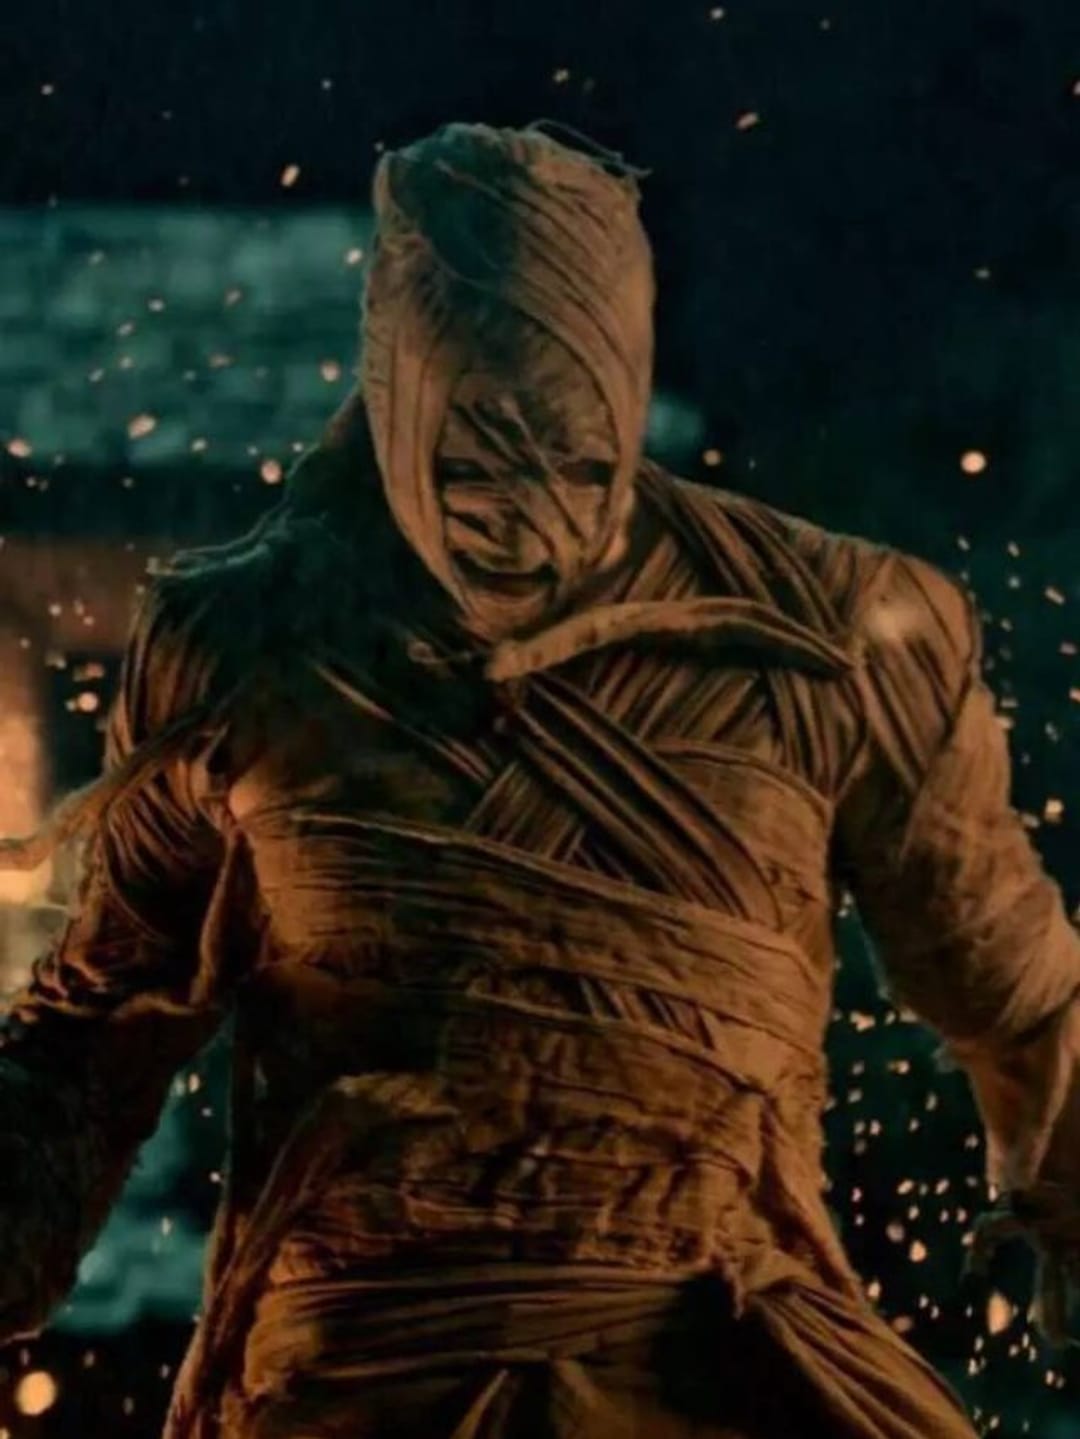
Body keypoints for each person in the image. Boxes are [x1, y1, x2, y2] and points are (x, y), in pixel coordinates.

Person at [1, 119, 1078, 1439]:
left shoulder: (827, 647)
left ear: (628, 402)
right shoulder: (252, 652)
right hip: (370, 1378)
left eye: (574, 461)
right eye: (467, 462)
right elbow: (95, 1027)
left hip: (715, 1362)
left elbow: (1018, 994)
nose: (523, 513)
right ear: (394, 402)